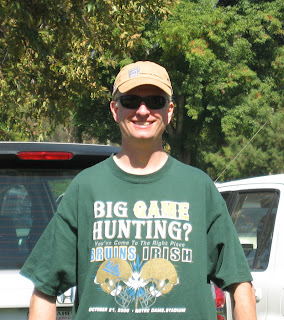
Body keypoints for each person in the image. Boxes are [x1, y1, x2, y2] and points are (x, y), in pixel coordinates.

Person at [21, 61, 256, 320]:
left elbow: (240, 285)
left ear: (169, 111)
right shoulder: (85, 188)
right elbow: (44, 289)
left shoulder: (199, 188)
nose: (143, 111)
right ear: (115, 109)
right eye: (131, 100)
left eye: (155, 101)